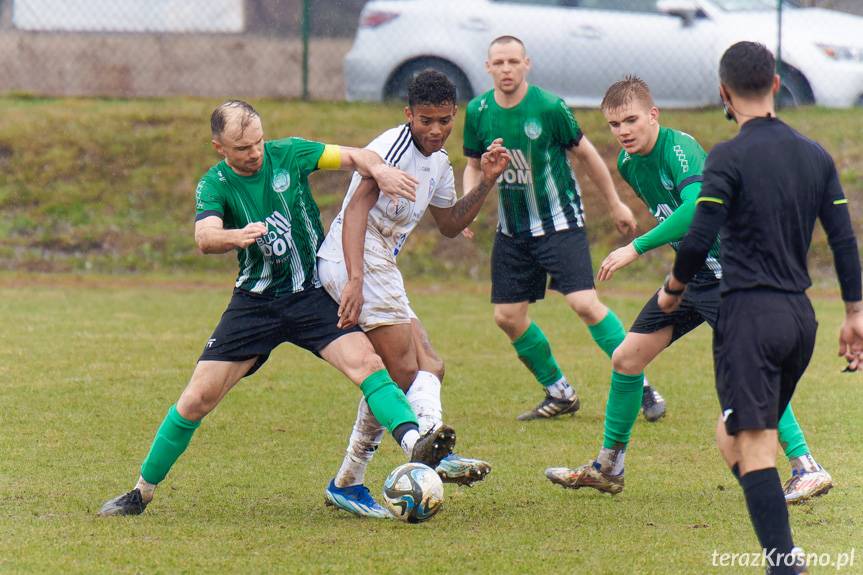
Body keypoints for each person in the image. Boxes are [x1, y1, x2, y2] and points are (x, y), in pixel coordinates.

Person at [98, 100, 458, 516]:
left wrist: (378, 169)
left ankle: (416, 444)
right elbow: (204, 236)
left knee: (369, 365)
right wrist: (238, 235)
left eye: (258, 142)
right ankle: (141, 491)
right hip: (255, 306)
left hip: (310, 296)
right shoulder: (214, 184)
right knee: (196, 398)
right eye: (242, 147)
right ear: (219, 148)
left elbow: (355, 155)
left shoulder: (289, 153)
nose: (254, 153)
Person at [546, 76, 833, 504]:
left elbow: (697, 209)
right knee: (627, 357)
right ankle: (608, 467)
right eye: (614, 124)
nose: (623, 131)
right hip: (695, 277)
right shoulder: (628, 164)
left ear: (653, 115)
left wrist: (636, 247)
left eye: (631, 120)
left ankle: (806, 467)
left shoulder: (679, 149)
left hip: (738, 274)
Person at [658, 42, 862, 573]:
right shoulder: (814, 155)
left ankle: (783, 563)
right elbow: (843, 241)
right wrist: (856, 313)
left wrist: (674, 289)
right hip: (801, 320)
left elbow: (700, 235)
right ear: (775, 85)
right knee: (733, 437)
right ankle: (779, 542)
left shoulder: (727, 156)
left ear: (724, 93)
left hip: (749, 318)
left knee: (752, 447)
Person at [317, 70, 510, 518]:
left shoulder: (440, 163)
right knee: (402, 372)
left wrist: (486, 180)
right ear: (409, 115)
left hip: (381, 263)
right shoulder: (392, 149)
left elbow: (449, 224)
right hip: (357, 258)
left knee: (430, 367)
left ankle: (354, 478)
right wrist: (356, 278)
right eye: (426, 120)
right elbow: (356, 208)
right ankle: (419, 454)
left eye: (445, 120)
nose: (437, 129)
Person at [463, 35, 665, 422]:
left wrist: (616, 203)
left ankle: (640, 385)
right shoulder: (478, 111)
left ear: (527, 64)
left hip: (561, 223)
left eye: (513, 61)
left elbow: (586, 154)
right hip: (512, 231)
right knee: (507, 317)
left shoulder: (550, 107)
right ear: (488, 67)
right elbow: (473, 165)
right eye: (498, 63)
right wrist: (467, 208)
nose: (506, 69)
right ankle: (559, 393)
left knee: (584, 304)